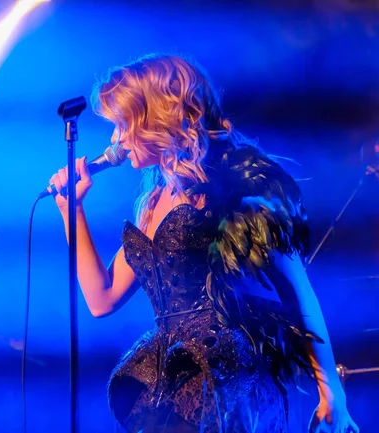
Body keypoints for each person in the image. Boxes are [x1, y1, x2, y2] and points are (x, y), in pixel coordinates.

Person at [48, 54, 358, 433]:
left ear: (156, 116)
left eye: (122, 124)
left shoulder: (236, 186)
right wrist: (72, 210)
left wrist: (333, 397)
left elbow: (298, 291)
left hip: (230, 386)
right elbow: (102, 297)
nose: (116, 139)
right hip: (169, 387)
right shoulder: (152, 202)